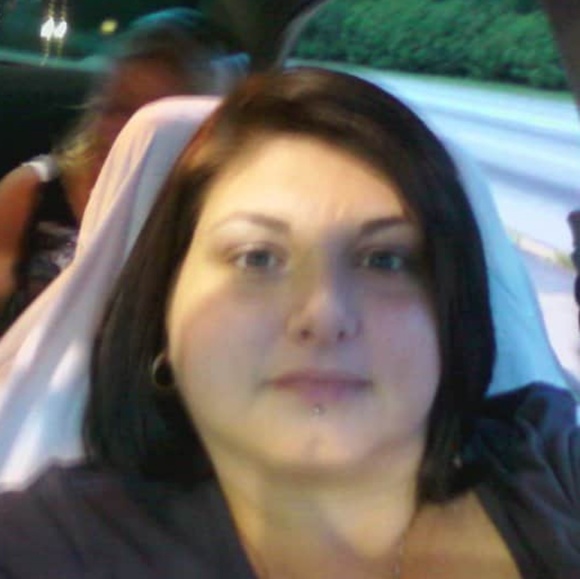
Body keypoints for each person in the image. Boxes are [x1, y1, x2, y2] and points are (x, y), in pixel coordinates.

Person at [0, 67, 577, 577]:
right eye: (257, 257)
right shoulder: (49, 547)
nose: (324, 315)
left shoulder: (552, 469)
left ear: (452, 312)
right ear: (165, 315)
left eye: (384, 260)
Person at [0, 7, 246, 334]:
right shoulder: (30, 193)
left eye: (150, 121)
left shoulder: (206, 222)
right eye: (115, 109)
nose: (122, 133)